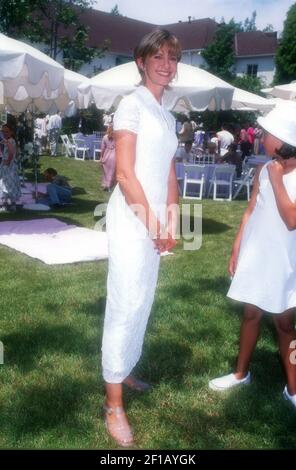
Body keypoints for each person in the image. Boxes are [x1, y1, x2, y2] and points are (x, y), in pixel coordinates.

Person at [101, 29, 181, 447]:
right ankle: (113, 403)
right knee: (125, 301)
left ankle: (125, 367)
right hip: (132, 217)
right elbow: (127, 174)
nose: (166, 65)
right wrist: (153, 225)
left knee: (143, 299)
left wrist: (171, 221)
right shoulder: (130, 106)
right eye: (159, 57)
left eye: (172, 58)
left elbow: (168, 171)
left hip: (154, 219)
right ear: (141, 61)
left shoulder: (168, 115)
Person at [209, 102, 296, 409]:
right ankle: (240, 372)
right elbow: (250, 212)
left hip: (285, 260)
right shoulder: (263, 168)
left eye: (266, 132)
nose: (260, 135)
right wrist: (237, 246)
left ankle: (293, 389)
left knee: (285, 323)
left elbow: (292, 219)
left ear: (283, 138)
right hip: (258, 254)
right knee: (251, 314)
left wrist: (276, 179)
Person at [0, 124, 21, 211]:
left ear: (11, 132)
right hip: (8, 165)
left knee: (7, 184)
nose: (4, 133)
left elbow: (12, 152)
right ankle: (10, 204)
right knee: (8, 184)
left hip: (8, 166)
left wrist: (8, 160)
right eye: (3, 131)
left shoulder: (10, 141)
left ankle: (7, 204)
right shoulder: (8, 140)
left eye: (6, 131)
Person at [100, 124, 116, 191]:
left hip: (106, 156)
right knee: (112, 172)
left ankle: (106, 185)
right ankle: (110, 186)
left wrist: (101, 156)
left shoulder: (105, 137)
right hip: (115, 156)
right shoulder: (117, 137)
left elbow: (102, 148)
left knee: (106, 172)